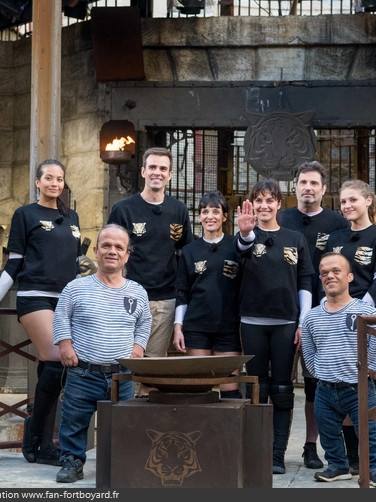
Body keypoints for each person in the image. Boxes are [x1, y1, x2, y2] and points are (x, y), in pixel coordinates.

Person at [0, 159, 82, 466]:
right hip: (35, 296)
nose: (54, 183)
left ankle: (39, 443)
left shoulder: (71, 216)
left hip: (66, 299)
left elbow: (76, 264)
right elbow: (14, 262)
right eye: (49, 178)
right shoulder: (25, 214)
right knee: (58, 357)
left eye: (59, 179)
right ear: (37, 181)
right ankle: (37, 438)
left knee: (54, 368)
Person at [53, 224, 151, 483]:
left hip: (122, 376)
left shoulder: (137, 292)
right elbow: (61, 318)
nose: (112, 251)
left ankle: (121, 463)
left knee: (124, 424)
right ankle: (72, 462)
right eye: (106, 245)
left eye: (119, 247)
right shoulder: (76, 288)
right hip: (83, 372)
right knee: (74, 421)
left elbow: (144, 322)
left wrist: (139, 346)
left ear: (127, 255)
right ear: (96, 251)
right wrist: (65, 345)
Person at [236, 179, 315, 474]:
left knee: (282, 389)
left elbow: (305, 279)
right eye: (259, 200)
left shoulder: (295, 238)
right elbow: (240, 253)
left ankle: (277, 454)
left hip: (286, 323)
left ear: (280, 204)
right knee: (257, 388)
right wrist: (245, 234)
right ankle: (256, 450)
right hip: (252, 322)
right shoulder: (245, 235)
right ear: (252, 205)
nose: (264, 205)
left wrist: (303, 320)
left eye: (270, 200)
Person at [277, 161, 349, 470]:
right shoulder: (280, 219)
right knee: (278, 385)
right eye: (303, 182)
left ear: (323, 189)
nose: (308, 187)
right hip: (280, 313)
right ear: (294, 187)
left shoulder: (336, 222)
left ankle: (311, 447)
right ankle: (273, 448)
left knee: (316, 385)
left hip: (324, 317)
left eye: (314, 183)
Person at [107, 147, 193, 396]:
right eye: (152, 167)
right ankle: (119, 414)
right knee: (123, 361)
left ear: (170, 175)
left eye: (163, 168)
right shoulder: (123, 209)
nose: (157, 172)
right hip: (127, 297)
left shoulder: (179, 211)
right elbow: (111, 254)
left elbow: (185, 253)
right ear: (143, 171)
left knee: (152, 368)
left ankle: (141, 426)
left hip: (164, 299)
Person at [300, 252, 376, 487]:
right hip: (325, 388)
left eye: (336, 271)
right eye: (324, 273)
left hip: (358, 387)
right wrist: (319, 371)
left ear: (349, 276)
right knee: (328, 431)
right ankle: (337, 465)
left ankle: (373, 470)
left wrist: (373, 365)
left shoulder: (366, 312)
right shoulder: (311, 318)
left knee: (370, 431)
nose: (330, 276)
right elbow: (308, 351)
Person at [325, 178, 376, 474]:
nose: (347, 206)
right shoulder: (335, 238)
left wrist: (357, 309)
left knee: (370, 393)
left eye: (353, 199)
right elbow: (326, 276)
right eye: (343, 201)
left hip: (367, 320)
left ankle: (372, 459)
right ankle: (352, 460)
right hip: (336, 322)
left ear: (368, 200)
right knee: (342, 389)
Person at [173, 191, 243, 399]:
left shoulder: (236, 247)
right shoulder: (189, 250)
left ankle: (229, 432)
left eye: (215, 211)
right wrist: (178, 326)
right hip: (197, 328)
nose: (209, 216)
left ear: (224, 216)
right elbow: (183, 292)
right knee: (198, 389)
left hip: (228, 328)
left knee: (230, 390)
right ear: (200, 216)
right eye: (205, 211)